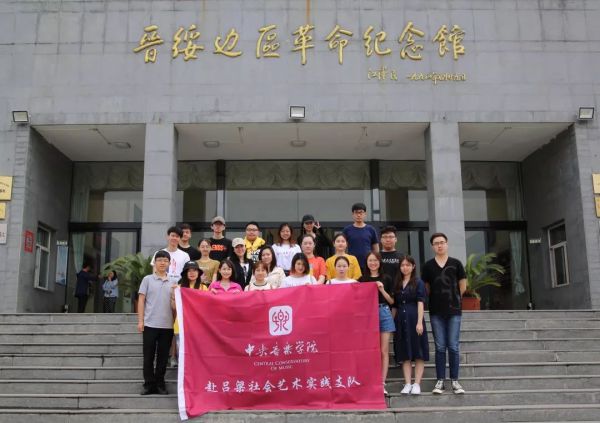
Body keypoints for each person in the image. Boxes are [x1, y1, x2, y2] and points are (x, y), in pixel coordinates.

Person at [421, 232, 467, 395]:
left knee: (453, 346)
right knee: (440, 346)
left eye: (442, 242)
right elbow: (426, 288)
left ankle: (455, 380)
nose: (439, 245)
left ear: (447, 244)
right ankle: (440, 380)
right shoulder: (428, 266)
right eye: (436, 243)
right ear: (432, 246)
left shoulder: (456, 263)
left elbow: (463, 286)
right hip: (436, 311)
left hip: (454, 310)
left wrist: (454, 299)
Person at [137, 250, 176, 395]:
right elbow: (141, 300)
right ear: (155, 262)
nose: (162, 263)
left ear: (169, 263)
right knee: (148, 356)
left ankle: (160, 384)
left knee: (163, 357)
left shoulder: (173, 282)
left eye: (165, 260)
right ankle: (148, 384)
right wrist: (140, 321)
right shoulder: (147, 279)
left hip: (167, 326)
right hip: (150, 324)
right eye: (159, 260)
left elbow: (175, 305)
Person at [358, 252, 395, 395]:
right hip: (367, 315)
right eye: (370, 260)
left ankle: (382, 382)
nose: (373, 263)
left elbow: (392, 301)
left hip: (384, 312)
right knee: (369, 350)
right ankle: (371, 381)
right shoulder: (362, 279)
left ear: (380, 262)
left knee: (384, 351)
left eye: (375, 260)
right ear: (366, 263)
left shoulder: (387, 278)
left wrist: (382, 289)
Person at [393, 255, 429, 396]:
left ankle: (417, 383)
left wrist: (419, 322)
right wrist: (392, 323)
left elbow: (420, 302)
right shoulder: (398, 283)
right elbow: (395, 305)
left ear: (413, 266)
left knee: (418, 351)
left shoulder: (418, 282)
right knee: (405, 353)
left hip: (414, 319)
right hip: (400, 320)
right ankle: (408, 383)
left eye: (408, 265)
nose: (405, 268)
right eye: (402, 265)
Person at [170, 261, 205, 367]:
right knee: (183, 359)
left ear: (198, 273)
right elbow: (174, 307)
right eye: (189, 271)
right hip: (181, 326)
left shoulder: (204, 288)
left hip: (198, 328)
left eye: (194, 270)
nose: (192, 273)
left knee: (197, 358)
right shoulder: (179, 288)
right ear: (185, 273)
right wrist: (173, 295)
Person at [342, 202, 379, 272]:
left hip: (368, 265)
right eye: (356, 212)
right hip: (351, 264)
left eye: (361, 212)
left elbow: (376, 248)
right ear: (353, 214)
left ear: (365, 214)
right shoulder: (347, 230)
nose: (358, 215)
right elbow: (343, 247)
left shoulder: (371, 229)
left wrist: (376, 261)